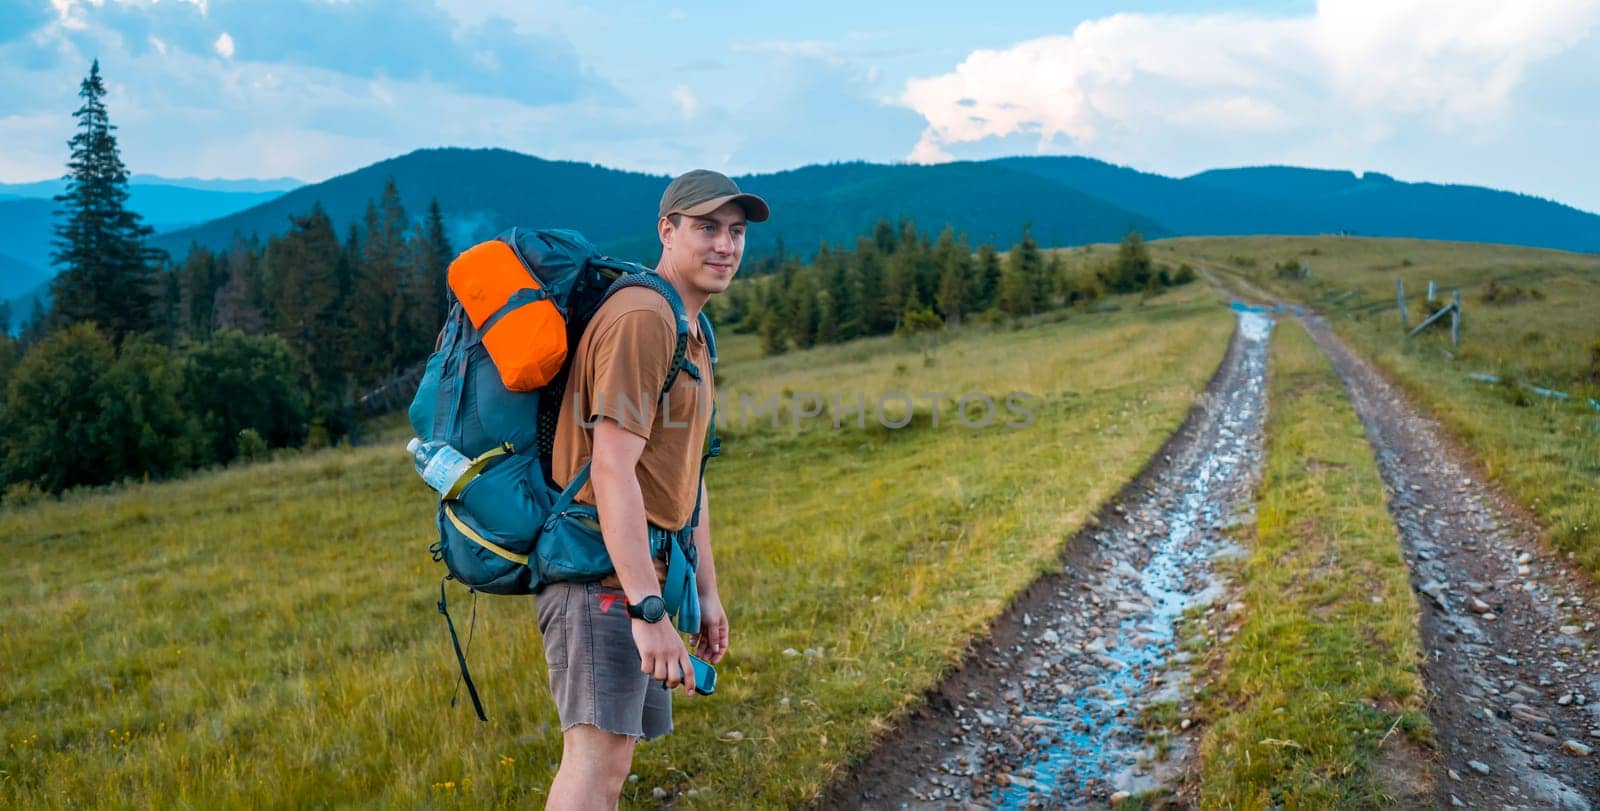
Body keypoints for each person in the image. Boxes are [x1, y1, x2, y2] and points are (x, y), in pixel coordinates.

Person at [538, 169, 769, 809]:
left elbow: (687, 479)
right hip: (602, 579)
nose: (725, 245)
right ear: (666, 230)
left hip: (643, 576)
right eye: (706, 228)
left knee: (611, 767)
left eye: (736, 231)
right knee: (593, 762)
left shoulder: (691, 328)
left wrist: (706, 592)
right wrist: (647, 610)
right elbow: (611, 467)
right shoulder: (643, 317)